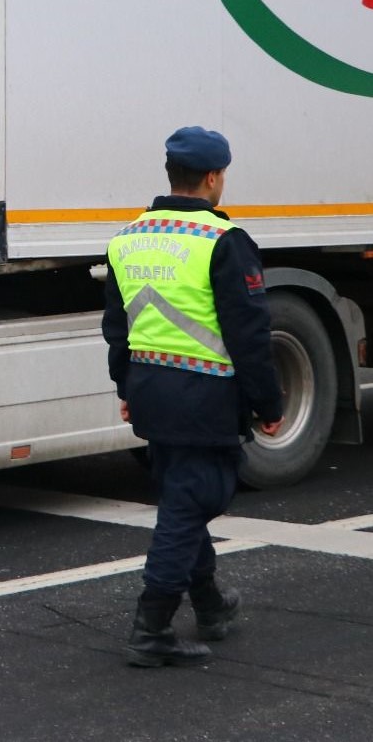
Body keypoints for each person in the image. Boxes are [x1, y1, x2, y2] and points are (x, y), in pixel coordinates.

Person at [102, 126, 284, 667]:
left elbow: (116, 327)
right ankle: (151, 629)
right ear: (212, 177)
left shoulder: (127, 238)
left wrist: (126, 389)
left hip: (152, 391)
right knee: (190, 504)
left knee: (183, 498)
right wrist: (269, 404)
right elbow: (248, 334)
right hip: (205, 398)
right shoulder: (223, 242)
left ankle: (210, 604)